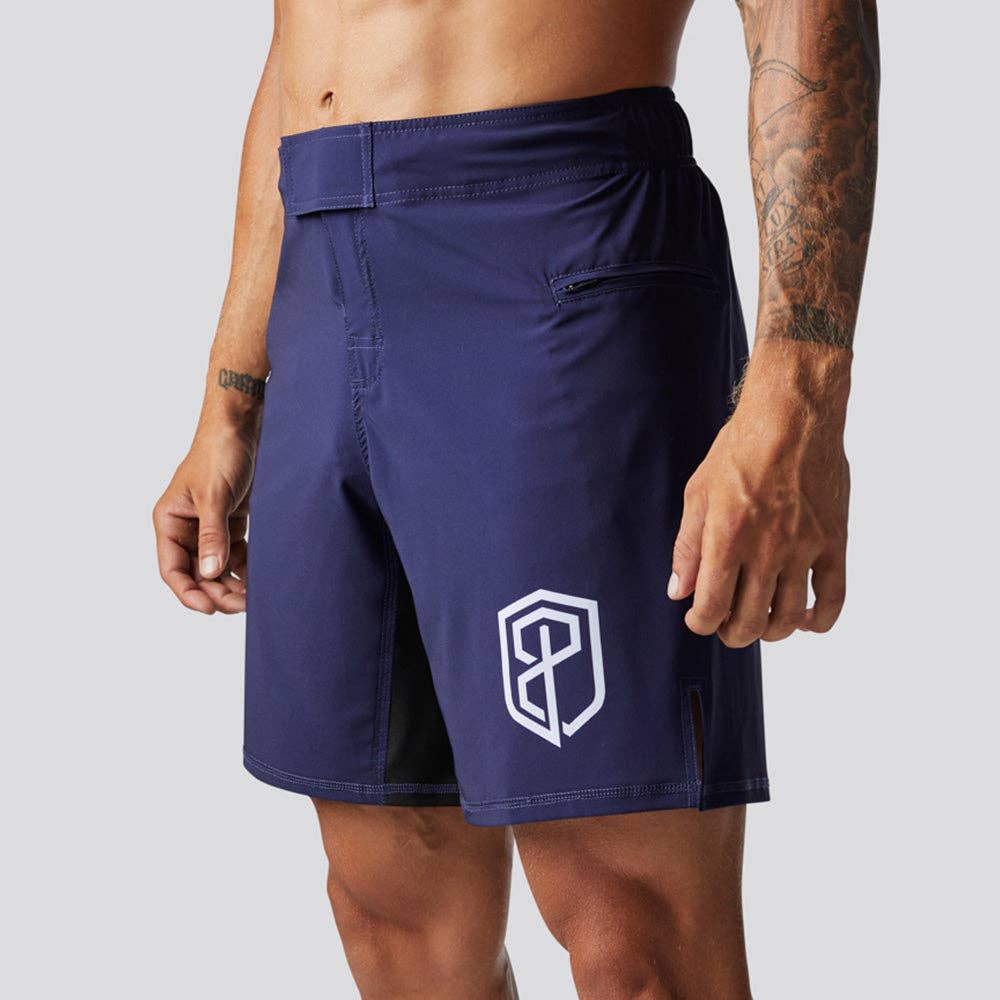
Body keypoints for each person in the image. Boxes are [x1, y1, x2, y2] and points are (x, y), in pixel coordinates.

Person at [153, 1, 879, 996]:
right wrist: (232, 393)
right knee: (390, 902)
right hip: (319, 272)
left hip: (557, 243)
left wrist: (800, 388)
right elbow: (298, 42)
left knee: (633, 927)